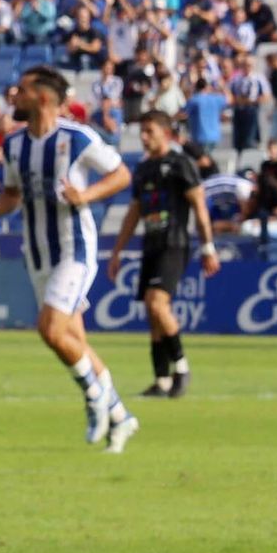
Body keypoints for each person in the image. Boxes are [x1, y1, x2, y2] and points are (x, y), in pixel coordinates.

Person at [0, 66, 140, 452]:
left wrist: (87, 195)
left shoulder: (77, 138)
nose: (14, 94)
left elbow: (120, 175)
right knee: (73, 338)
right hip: (37, 254)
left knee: (50, 329)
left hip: (74, 250)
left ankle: (94, 396)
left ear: (43, 97)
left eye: (24, 89)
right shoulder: (15, 145)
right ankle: (119, 414)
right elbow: (12, 197)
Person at [109, 111, 221, 397]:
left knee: (157, 303)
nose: (144, 137)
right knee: (151, 311)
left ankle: (181, 368)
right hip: (151, 244)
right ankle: (161, 379)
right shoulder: (144, 169)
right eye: (142, 132)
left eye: (149, 131)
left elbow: (199, 206)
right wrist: (117, 252)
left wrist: (208, 247)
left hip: (175, 243)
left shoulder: (181, 164)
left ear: (166, 132)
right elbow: (133, 213)